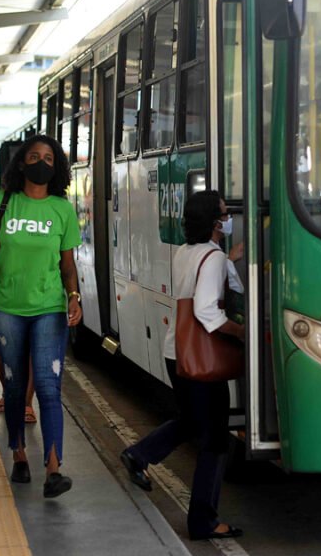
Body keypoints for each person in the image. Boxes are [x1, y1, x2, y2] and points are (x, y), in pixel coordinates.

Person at [120, 190, 245, 541]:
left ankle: (139, 454)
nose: (228, 216)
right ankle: (203, 521)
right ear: (215, 221)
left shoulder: (186, 252)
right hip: (201, 357)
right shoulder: (213, 257)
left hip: (177, 350)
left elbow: (208, 285)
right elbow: (207, 310)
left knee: (191, 420)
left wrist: (230, 259)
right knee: (215, 441)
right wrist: (241, 332)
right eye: (224, 212)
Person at [0, 134, 81, 497]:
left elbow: (67, 265)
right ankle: (19, 454)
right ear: (21, 163)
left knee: (49, 386)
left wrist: (74, 297)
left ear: (58, 166)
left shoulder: (62, 210)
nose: (41, 163)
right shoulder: (4, 203)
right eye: (34, 156)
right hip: (7, 307)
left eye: (48, 158)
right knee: (15, 385)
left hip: (50, 308)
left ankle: (53, 468)